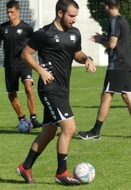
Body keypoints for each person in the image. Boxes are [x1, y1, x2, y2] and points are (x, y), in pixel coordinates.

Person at [16, 0, 96, 185]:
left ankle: (25, 167)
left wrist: (88, 59)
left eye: (76, 16)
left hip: (63, 88)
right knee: (69, 127)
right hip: (49, 89)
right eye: (71, 16)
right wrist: (41, 71)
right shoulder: (44, 33)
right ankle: (61, 173)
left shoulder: (74, 33)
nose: (74, 20)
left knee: (50, 132)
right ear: (60, 13)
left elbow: (77, 53)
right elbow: (25, 54)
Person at [78, 0, 131, 140]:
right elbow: (118, 41)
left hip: (118, 65)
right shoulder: (124, 21)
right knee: (128, 95)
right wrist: (104, 37)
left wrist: (100, 40)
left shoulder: (115, 21)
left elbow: (112, 44)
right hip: (127, 63)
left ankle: (95, 131)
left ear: (106, 6)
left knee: (106, 95)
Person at [0, 0, 42, 129]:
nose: (9, 14)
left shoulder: (26, 28)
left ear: (18, 11)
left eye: (12, 12)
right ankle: (22, 119)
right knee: (12, 93)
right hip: (10, 65)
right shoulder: (2, 28)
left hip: (24, 64)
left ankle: (33, 118)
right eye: (8, 12)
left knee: (28, 88)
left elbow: (35, 44)